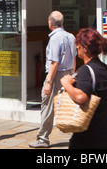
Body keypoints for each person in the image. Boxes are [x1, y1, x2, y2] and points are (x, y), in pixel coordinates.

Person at [60, 27, 107, 149]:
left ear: (84, 48)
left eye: (78, 46)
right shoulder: (105, 69)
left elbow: (81, 96)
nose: (77, 49)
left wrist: (66, 84)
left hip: (88, 132)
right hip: (105, 130)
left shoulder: (86, 70)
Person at [29, 11, 76, 148]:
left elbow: (54, 62)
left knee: (48, 106)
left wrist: (48, 82)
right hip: (68, 73)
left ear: (50, 22)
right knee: (67, 106)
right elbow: (73, 58)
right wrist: (72, 75)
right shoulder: (71, 36)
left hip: (56, 75)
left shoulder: (55, 38)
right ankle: (77, 136)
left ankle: (43, 139)